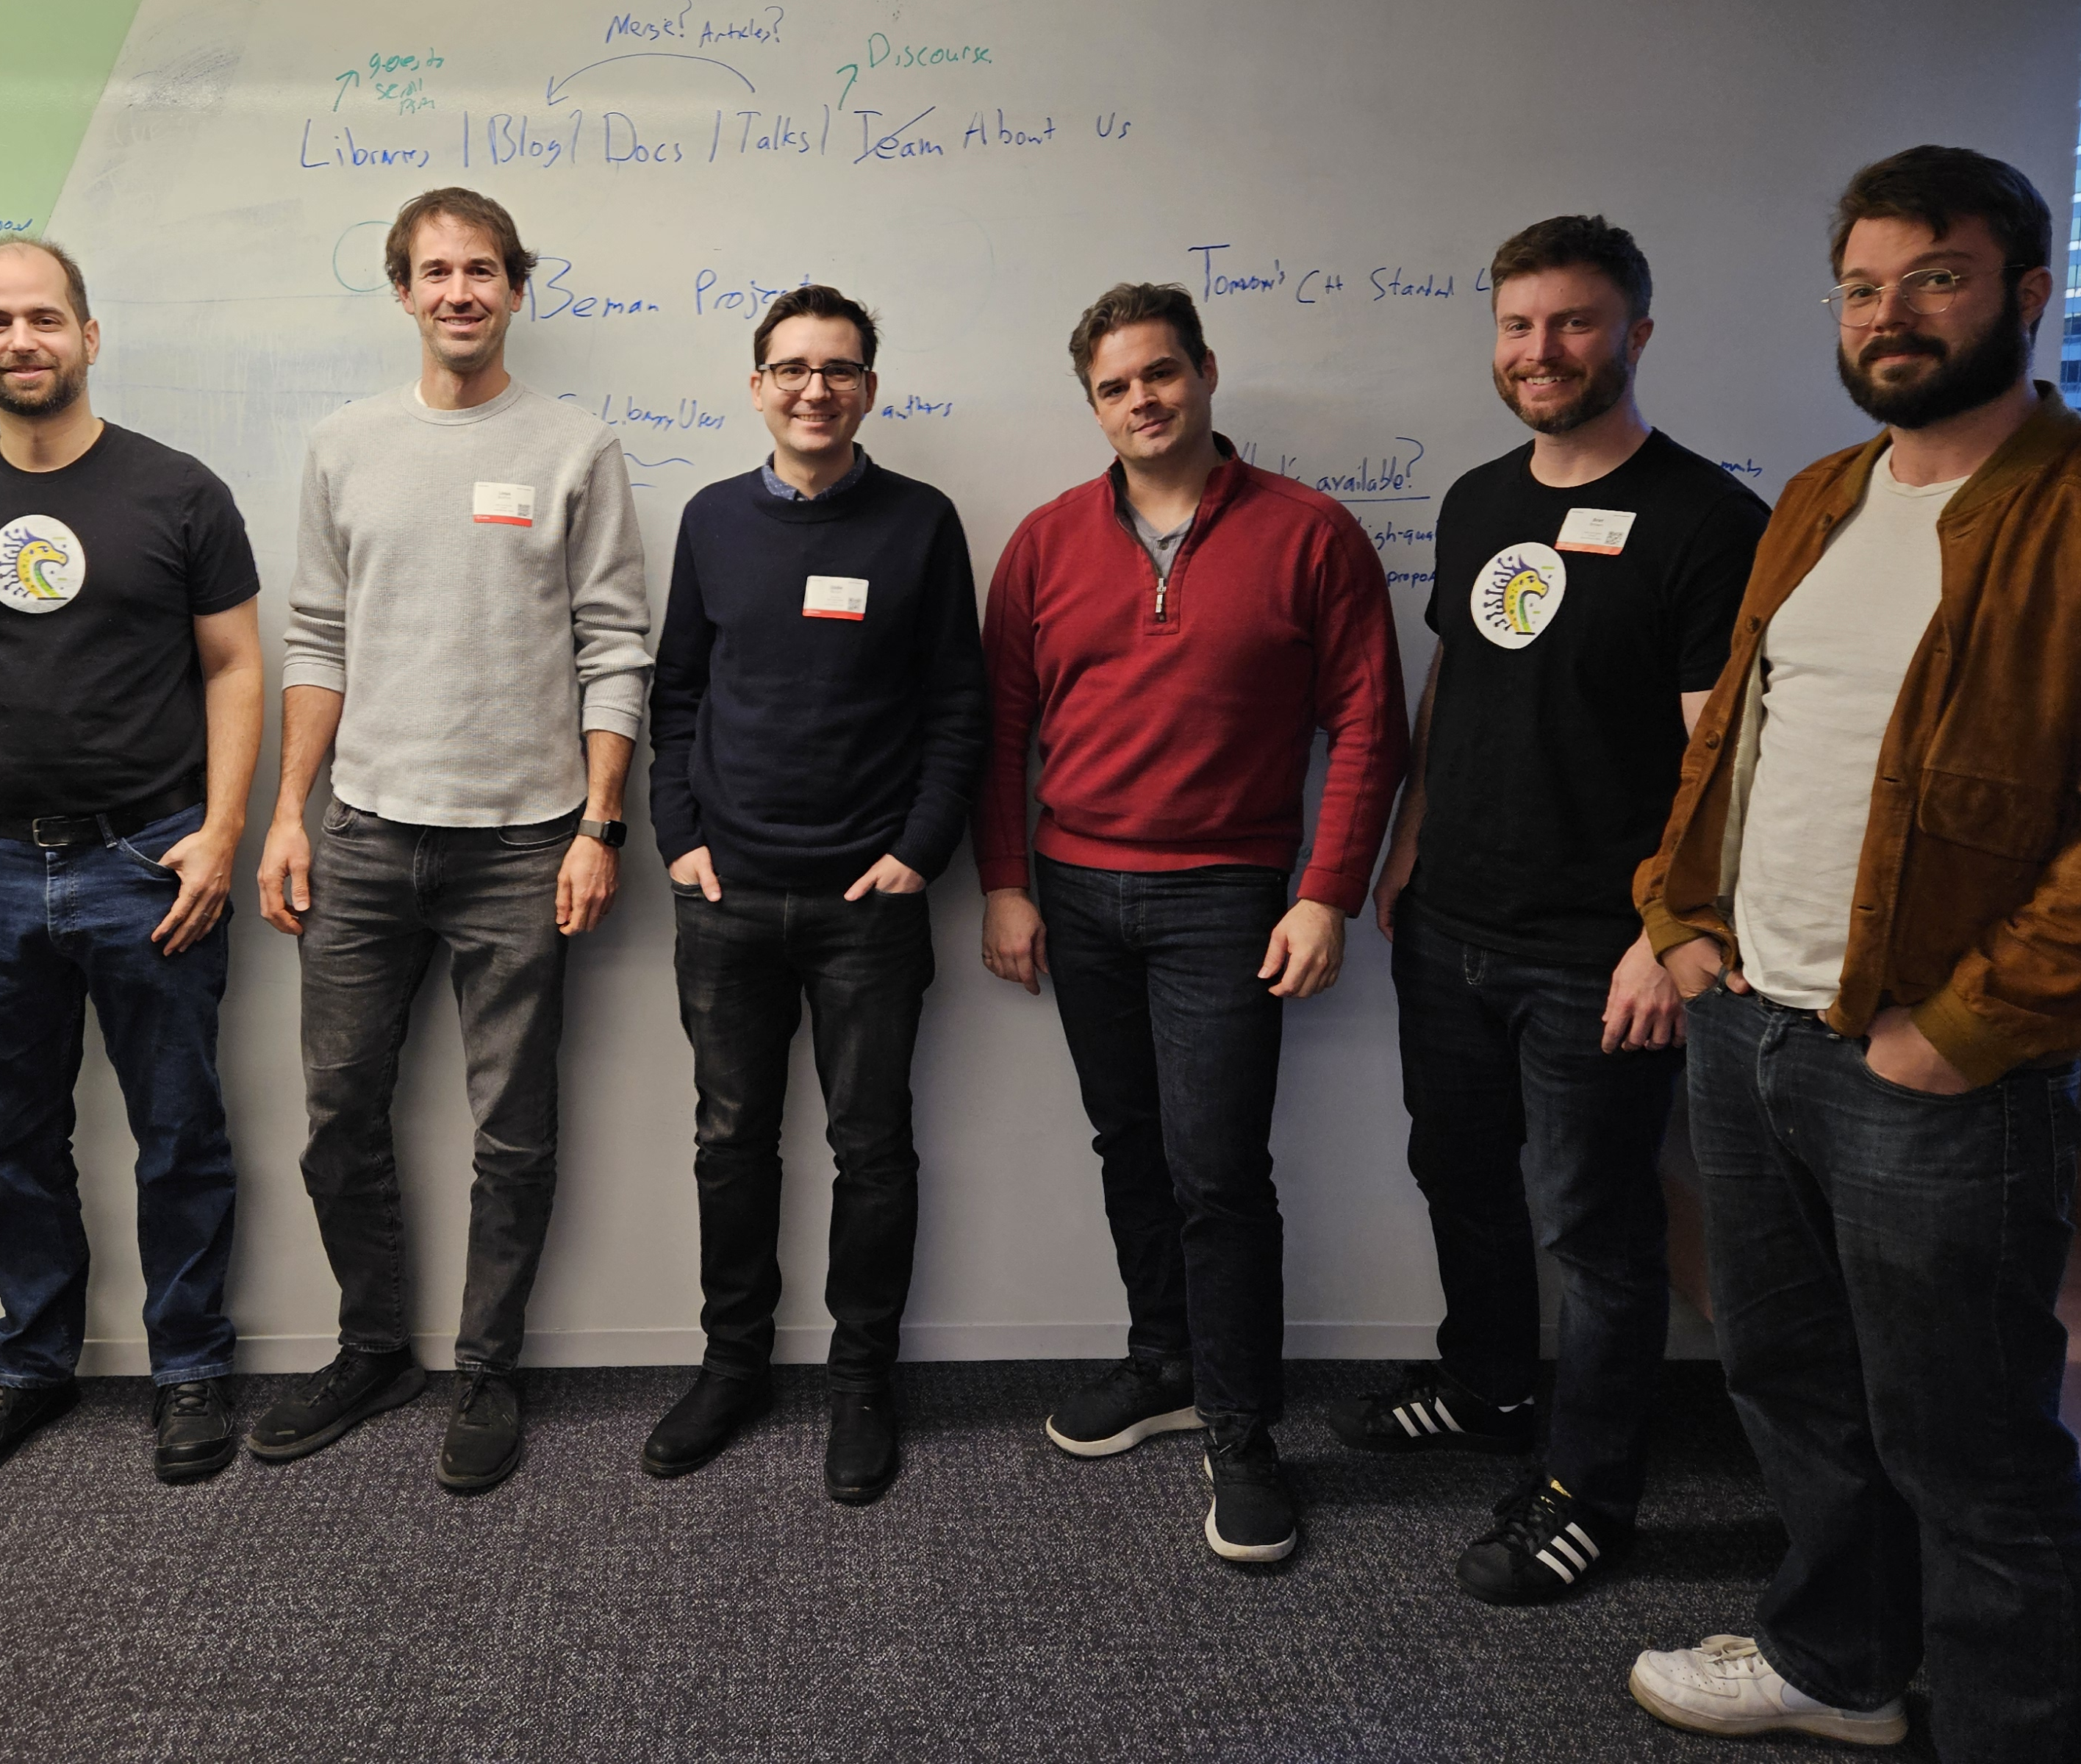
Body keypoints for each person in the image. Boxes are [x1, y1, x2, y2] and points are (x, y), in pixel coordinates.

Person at [1626, 147, 2081, 1760]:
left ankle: (2004, 1732)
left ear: (2025, 294)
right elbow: (1731, 748)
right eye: (1861, 286)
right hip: (1748, 1029)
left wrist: (1954, 1035)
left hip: (1932, 1069)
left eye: (1935, 278)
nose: (1890, 315)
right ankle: (1840, 1668)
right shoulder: (1822, 497)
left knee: (1964, 1444)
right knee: (1791, 1390)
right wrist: (1676, 921)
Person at [1339, 215, 1767, 1603]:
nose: (1543, 352)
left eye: (1574, 324)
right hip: (1451, 918)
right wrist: (1407, 844)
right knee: (1457, 1171)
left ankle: (1593, 1488)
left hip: (1599, 948)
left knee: (1591, 1222)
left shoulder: (1709, 521)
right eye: (1520, 327)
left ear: (1636, 333)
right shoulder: (1477, 502)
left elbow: (1726, 758)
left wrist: (1671, 931)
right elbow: (1457, 680)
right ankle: (1485, 1388)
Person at [978, 282, 1407, 1566]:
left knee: (1219, 1172)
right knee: (1130, 1147)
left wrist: (1326, 890)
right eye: (1114, 387)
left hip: (1229, 899)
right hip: (1076, 891)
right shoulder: (1047, 541)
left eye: (1160, 374)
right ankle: (1163, 1362)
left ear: (1205, 373)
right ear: (1092, 403)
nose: (1141, 402)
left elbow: (1372, 724)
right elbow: (1004, 727)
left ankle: (1242, 1431)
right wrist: (1006, 879)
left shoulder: (1312, 534)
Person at [255, 186, 651, 1496]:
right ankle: (374, 1346)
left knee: (514, 1131)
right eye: (436, 273)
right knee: (336, 1116)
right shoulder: (343, 447)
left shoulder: (576, 447)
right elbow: (316, 638)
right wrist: (290, 815)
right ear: (404, 291)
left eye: (482, 270)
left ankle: (486, 1368)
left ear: (516, 288)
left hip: (525, 845)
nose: (460, 293)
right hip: (365, 834)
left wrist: (600, 825)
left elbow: (613, 648)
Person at [0, 237, 263, 1489]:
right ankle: (29, 1365)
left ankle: (190, 1368)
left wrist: (220, 830)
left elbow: (235, 668)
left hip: (149, 858)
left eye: (43, 318)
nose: (19, 340)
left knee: (179, 1132)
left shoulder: (179, 491)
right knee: (11, 1139)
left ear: (89, 337)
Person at [641, 285, 987, 1503]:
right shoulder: (711, 520)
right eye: (790, 368)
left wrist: (922, 851)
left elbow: (959, 703)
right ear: (756, 387)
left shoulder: (921, 524)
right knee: (729, 1143)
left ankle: (859, 1382)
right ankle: (731, 1368)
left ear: (868, 391)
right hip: (725, 897)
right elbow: (676, 689)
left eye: (838, 370)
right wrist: (676, 836)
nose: (813, 388)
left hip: (868, 906)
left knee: (871, 1151)